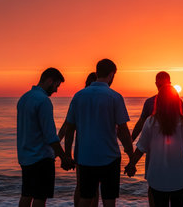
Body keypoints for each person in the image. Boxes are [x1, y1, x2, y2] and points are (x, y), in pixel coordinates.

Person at [125, 85, 183, 207]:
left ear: (158, 102)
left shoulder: (150, 122)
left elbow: (140, 149)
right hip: (180, 178)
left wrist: (131, 165)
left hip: (157, 178)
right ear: (177, 101)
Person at [64, 59, 134, 207]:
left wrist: (67, 154)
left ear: (96, 72)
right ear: (111, 75)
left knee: (85, 198)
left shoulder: (79, 96)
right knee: (109, 200)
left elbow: (69, 128)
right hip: (109, 157)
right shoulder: (115, 97)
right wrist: (131, 156)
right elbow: (123, 131)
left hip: (85, 157)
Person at [17, 67, 74, 207]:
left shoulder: (24, 98)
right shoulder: (43, 101)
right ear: (50, 81)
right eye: (56, 85)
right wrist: (64, 157)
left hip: (25, 157)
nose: (56, 90)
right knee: (40, 197)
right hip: (41, 157)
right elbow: (50, 135)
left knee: (26, 194)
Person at [130, 71, 183, 206]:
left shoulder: (177, 101)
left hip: (174, 153)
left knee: (170, 184)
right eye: (159, 84)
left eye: (163, 84)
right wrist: (130, 141)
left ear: (169, 83)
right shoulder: (150, 102)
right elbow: (141, 122)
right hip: (154, 152)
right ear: (156, 84)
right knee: (154, 183)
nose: (161, 87)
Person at [58, 72, 97, 207]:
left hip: (82, 152)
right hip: (96, 151)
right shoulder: (101, 99)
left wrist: (64, 153)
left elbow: (67, 127)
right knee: (90, 188)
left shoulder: (79, 97)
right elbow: (67, 127)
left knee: (82, 186)